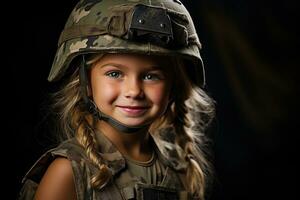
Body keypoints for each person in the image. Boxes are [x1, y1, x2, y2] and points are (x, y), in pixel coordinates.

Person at [18, 0, 215, 199]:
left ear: (174, 85)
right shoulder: (69, 172)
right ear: (85, 81)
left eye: (151, 76)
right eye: (114, 74)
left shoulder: (179, 171)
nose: (134, 91)